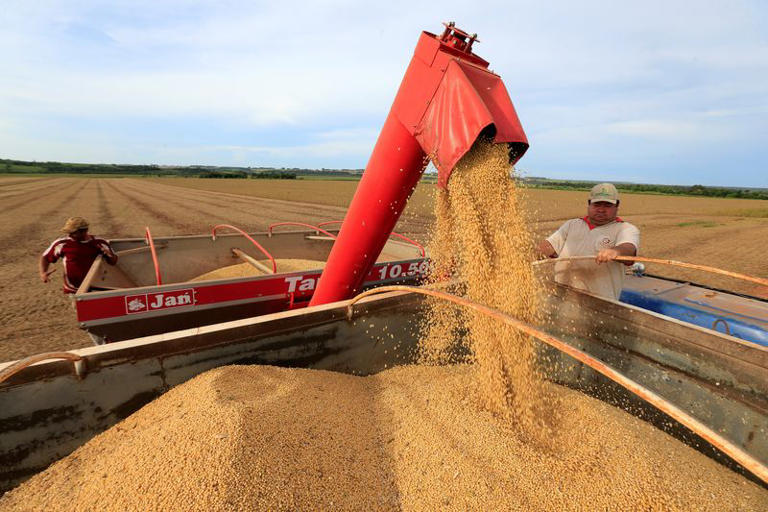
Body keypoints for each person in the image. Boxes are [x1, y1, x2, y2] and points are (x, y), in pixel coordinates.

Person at [538, 183, 639, 300]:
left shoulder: (625, 229)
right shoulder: (573, 224)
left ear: (616, 206)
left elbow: (629, 249)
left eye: (607, 205)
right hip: (561, 295)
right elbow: (549, 246)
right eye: (597, 204)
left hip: (599, 303)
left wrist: (615, 251)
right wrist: (530, 253)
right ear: (589, 204)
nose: (601, 209)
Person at [39, 217, 118, 294]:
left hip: (96, 288)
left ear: (84, 231)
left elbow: (113, 262)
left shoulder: (99, 242)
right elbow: (45, 257)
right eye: (69, 232)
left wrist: (110, 255)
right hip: (73, 289)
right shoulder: (62, 244)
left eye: (73, 233)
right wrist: (43, 273)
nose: (69, 235)